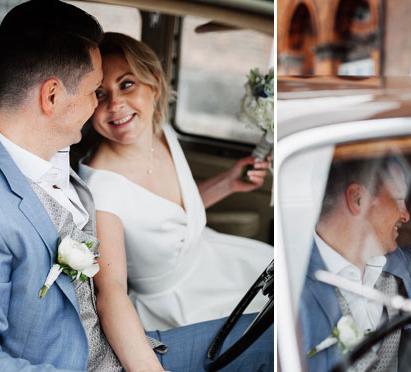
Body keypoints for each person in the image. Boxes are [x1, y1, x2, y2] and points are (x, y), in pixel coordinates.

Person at [0, 2, 272, 372]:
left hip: (108, 360)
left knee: (271, 334)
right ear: (52, 96)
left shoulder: (45, 153)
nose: (103, 104)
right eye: (95, 92)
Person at [78, 32, 272, 334]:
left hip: (213, 259)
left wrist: (229, 182)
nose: (115, 103)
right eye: (100, 94)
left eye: (127, 84)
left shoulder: (161, 132)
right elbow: (111, 290)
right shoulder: (102, 188)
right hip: (176, 308)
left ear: (154, 84)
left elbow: (169, 219)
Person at [302, 158, 411, 372]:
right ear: (358, 199)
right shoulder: (297, 287)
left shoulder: (395, 262)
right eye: (399, 200)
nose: (406, 215)